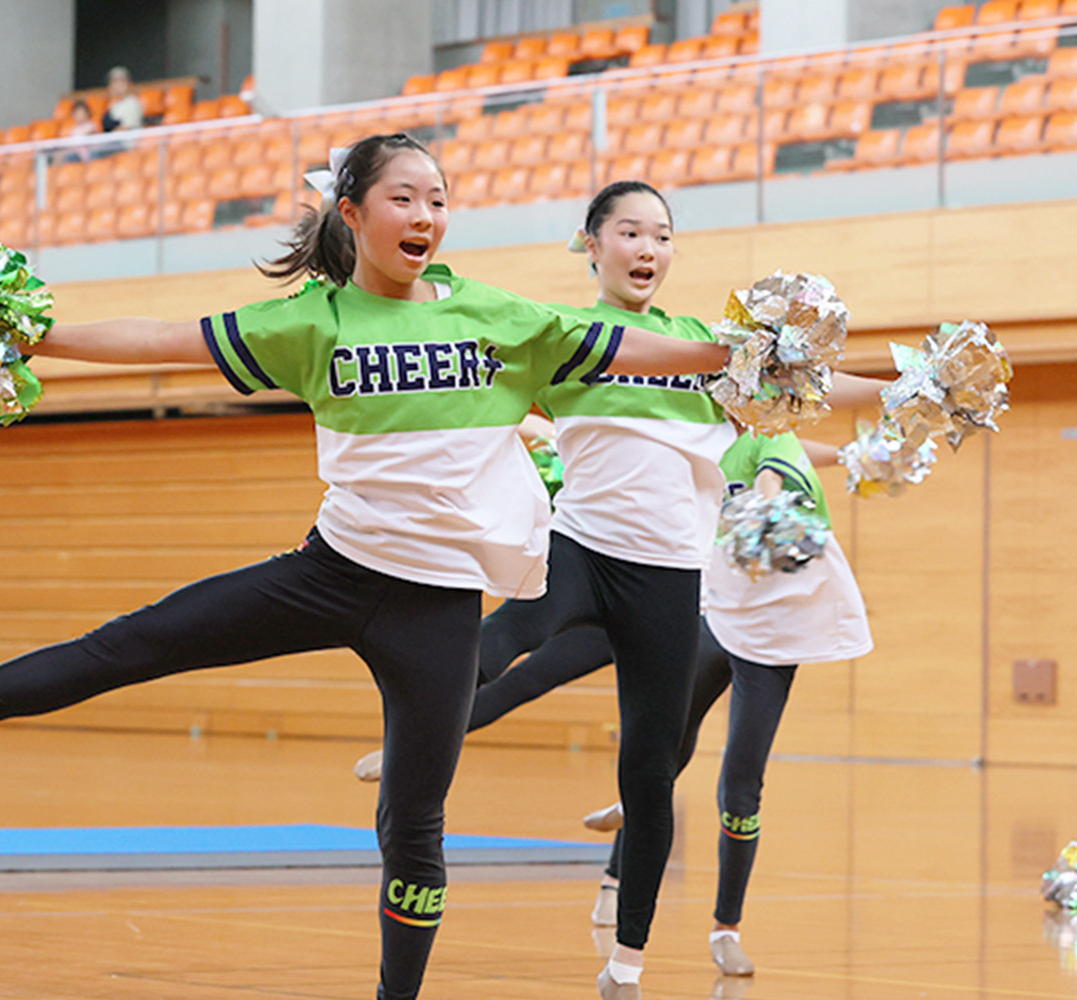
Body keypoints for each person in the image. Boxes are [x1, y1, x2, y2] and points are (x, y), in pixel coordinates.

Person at [0, 133, 733, 1000]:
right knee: (137, 641)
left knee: (412, 829)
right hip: (330, 574)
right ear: (351, 213)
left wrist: (742, 354)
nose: (425, 214)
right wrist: (34, 337)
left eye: (439, 200)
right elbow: (165, 338)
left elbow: (650, 352)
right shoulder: (313, 320)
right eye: (403, 197)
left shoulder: (502, 317)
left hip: (439, 613)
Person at [355, 180, 887, 1000]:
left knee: (649, 768)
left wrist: (895, 394)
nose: (648, 249)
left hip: (669, 579)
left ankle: (628, 963)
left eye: (663, 236)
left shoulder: (704, 346)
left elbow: (810, 388)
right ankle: (411, 757)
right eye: (630, 232)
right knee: (491, 648)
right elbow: (461, 365)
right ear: (592, 243)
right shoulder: (565, 337)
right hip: (578, 549)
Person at [583, 431, 873, 979]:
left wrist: (867, 446)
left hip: (775, 635)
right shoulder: (708, 437)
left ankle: (726, 929)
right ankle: (615, 876)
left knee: (741, 785)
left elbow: (779, 463)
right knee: (662, 750)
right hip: (714, 616)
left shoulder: (779, 440)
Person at [100, 66, 144, 133]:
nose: (119, 84)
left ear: (128, 83)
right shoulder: (114, 104)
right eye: (115, 81)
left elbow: (127, 128)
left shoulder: (132, 102)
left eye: (122, 81)